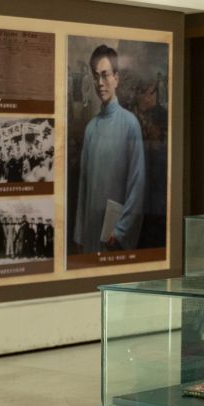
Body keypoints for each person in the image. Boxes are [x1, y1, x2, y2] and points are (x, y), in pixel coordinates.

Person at [71, 45, 146, 253]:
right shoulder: (90, 129)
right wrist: (79, 234)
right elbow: (83, 187)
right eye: (96, 77)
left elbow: (137, 186)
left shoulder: (130, 124)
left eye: (105, 75)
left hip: (115, 236)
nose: (100, 83)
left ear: (116, 78)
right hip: (90, 231)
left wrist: (120, 231)